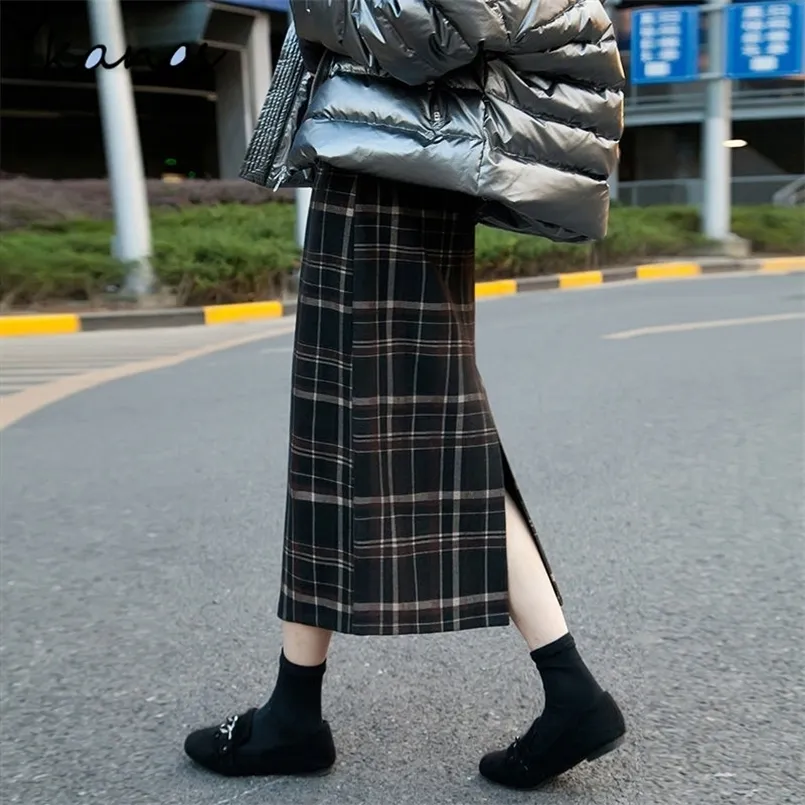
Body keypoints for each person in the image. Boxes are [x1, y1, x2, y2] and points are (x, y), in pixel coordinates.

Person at [184, 0, 626, 791]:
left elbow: (429, 30)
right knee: (372, 433)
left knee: (407, 433)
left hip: (396, 165)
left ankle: (568, 689)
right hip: (401, 157)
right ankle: (297, 706)